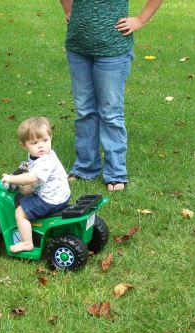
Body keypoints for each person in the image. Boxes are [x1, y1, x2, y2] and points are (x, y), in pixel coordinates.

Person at [60, 0, 163, 191]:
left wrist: (141, 20)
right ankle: (85, 168)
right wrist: (69, 10)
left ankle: (115, 173)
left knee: (110, 113)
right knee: (84, 110)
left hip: (113, 50)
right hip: (78, 47)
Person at [2, 117, 71, 253]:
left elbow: (32, 177)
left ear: (50, 137)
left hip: (50, 199)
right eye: (34, 143)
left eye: (45, 140)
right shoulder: (38, 155)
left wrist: (12, 178)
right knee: (24, 192)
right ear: (24, 145)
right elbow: (32, 174)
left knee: (20, 212)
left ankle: (27, 243)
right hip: (58, 193)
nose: (41, 146)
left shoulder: (45, 160)